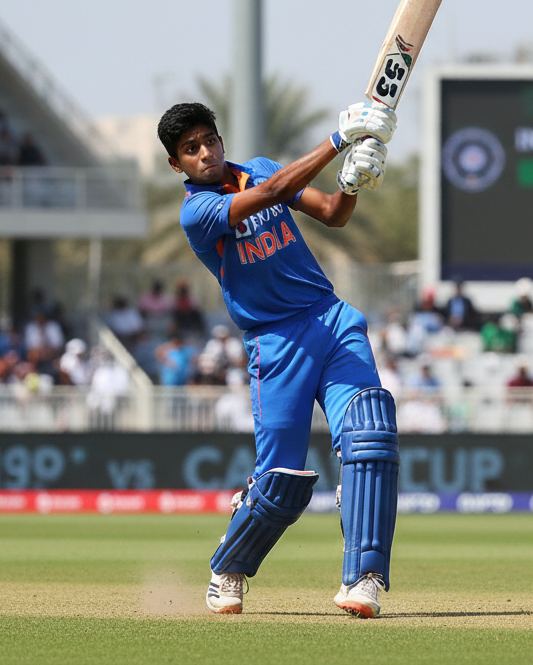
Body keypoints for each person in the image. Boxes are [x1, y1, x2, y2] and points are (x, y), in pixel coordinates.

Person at [161, 99, 397, 618]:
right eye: (190, 149)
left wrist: (353, 180)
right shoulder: (196, 212)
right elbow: (269, 194)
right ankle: (229, 568)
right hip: (276, 341)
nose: (205, 153)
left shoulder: (263, 167)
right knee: (282, 483)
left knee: (371, 435)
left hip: (330, 318)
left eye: (209, 140)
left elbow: (334, 214)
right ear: (177, 165)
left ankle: (364, 579)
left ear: (222, 139)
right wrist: (339, 142)